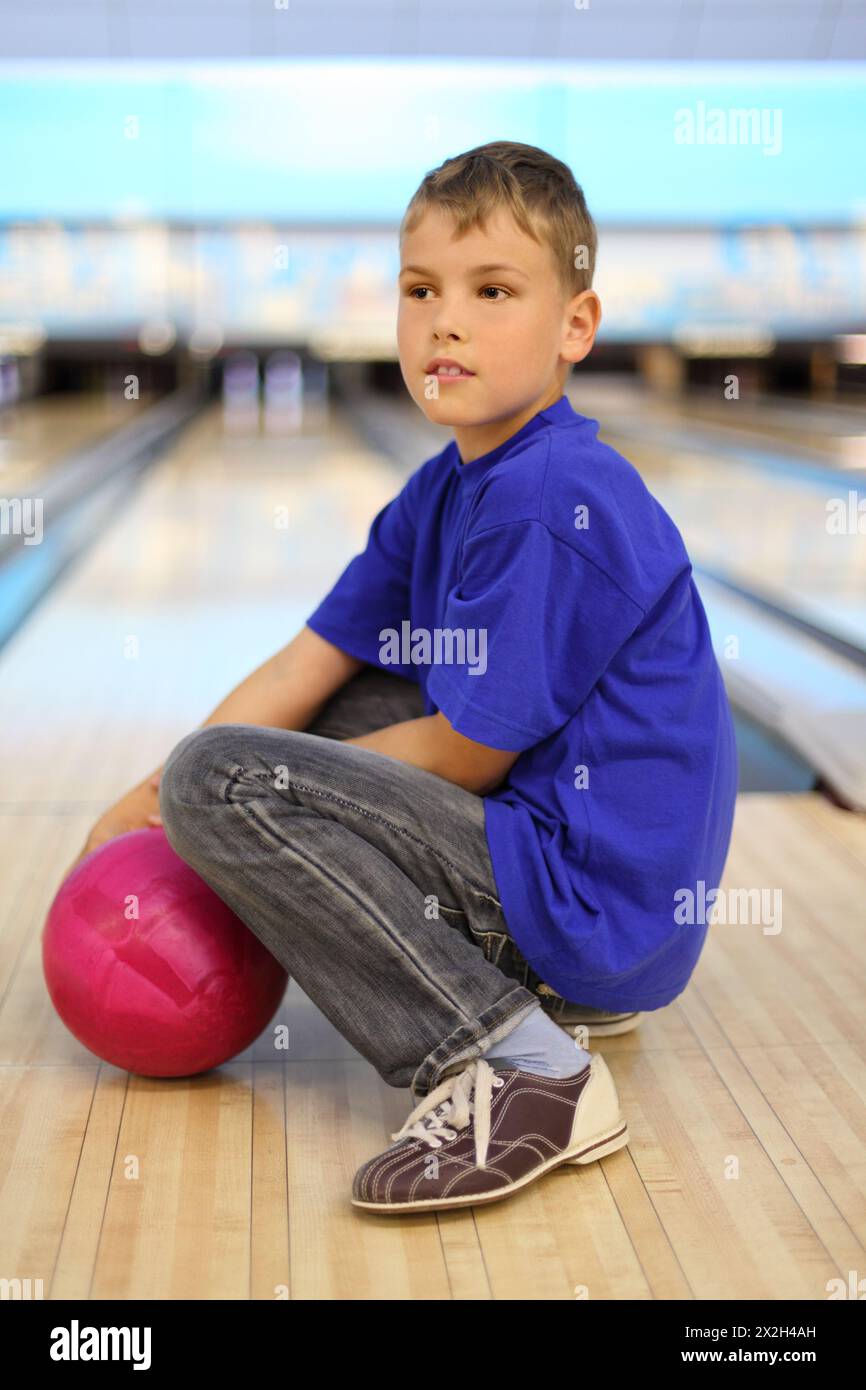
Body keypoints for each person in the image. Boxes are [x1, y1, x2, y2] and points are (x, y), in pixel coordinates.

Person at [68, 141, 738, 1214]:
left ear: (575, 327)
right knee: (253, 753)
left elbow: (467, 751)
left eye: (491, 291)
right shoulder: (444, 487)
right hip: (567, 875)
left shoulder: (547, 496)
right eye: (420, 290)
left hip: (592, 902)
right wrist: (149, 799)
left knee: (225, 779)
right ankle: (540, 996)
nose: (445, 320)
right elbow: (307, 662)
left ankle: (521, 1067)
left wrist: (222, 798)